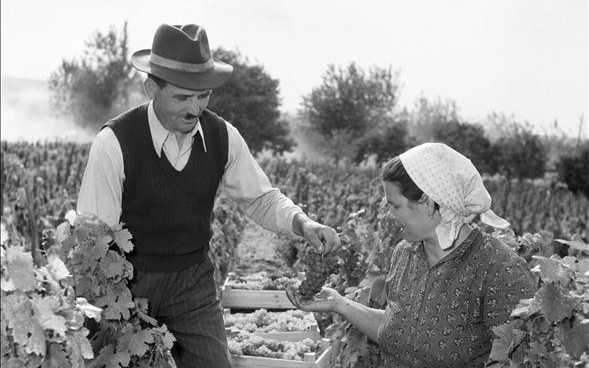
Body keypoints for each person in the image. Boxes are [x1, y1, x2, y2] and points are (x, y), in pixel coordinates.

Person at [77, 23, 340, 368]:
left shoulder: (222, 136)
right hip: (128, 287)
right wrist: (111, 303)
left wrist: (302, 223)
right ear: (150, 87)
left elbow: (260, 198)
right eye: (183, 97)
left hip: (192, 282)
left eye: (203, 96)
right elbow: (93, 239)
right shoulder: (114, 143)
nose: (195, 109)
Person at [287, 142, 536, 368]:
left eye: (395, 205)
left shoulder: (498, 269)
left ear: (428, 202)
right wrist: (339, 303)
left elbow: (516, 359)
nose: (388, 216)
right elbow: (399, 329)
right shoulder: (405, 254)